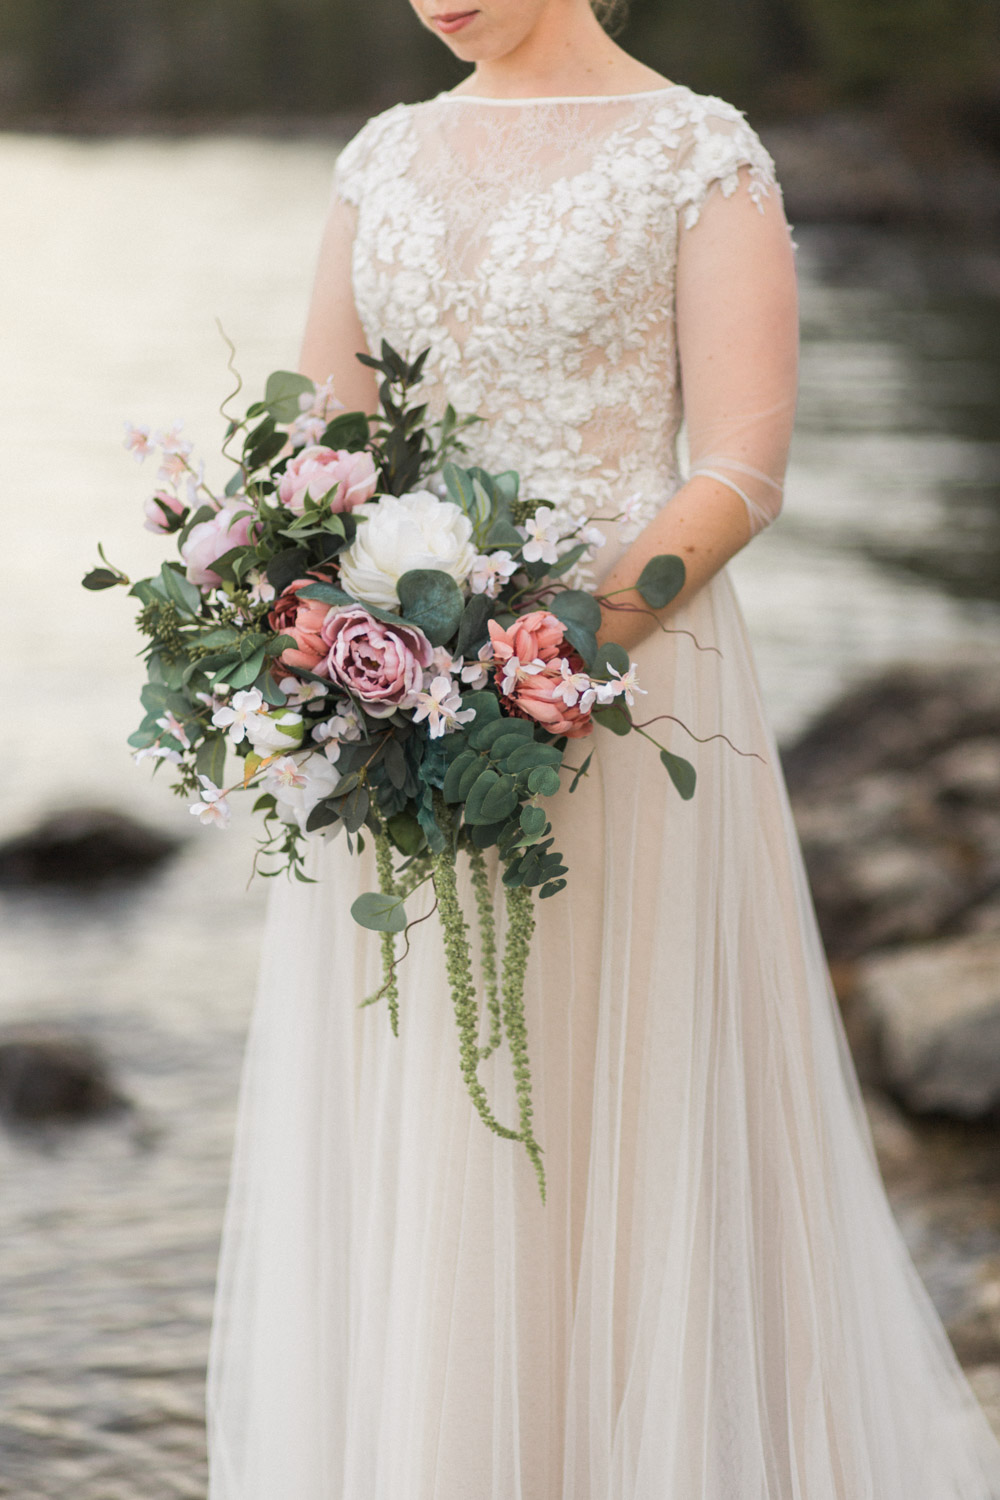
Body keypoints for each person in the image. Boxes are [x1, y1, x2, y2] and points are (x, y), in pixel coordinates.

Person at [205, 2, 1000, 1495]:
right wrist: (307, 627)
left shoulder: (697, 153)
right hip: (408, 706)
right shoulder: (383, 155)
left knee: (622, 1119)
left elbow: (739, 468)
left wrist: (565, 645)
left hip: (627, 703)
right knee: (429, 1107)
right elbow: (329, 438)